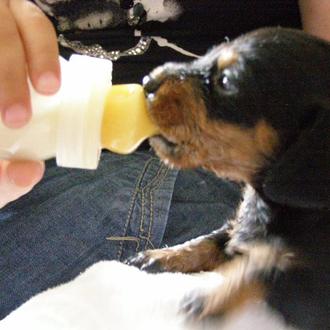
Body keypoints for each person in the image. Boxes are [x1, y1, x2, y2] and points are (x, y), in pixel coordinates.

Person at [0, 0, 329, 319]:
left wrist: (254, 278)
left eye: (225, 82)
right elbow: (234, 237)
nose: (157, 84)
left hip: (193, 176)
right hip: (36, 143)